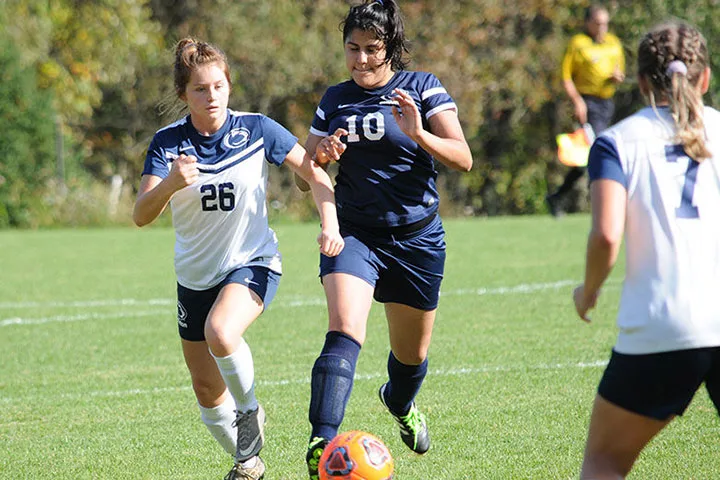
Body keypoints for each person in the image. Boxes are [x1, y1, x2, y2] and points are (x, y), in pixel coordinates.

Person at [133, 38, 344, 480]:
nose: (211, 96)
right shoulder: (168, 143)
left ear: (229, 86)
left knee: (221, 330)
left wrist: (330, 224)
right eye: (199, 89)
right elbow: (141, 214)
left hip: (253, 261)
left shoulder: (258, 129)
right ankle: (248, 464)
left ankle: (250, 412)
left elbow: (314, 172)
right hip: (194, 278)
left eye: (218, 86)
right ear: (182, 95)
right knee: (206, 388)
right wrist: (170, 184)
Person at [293, 1, 472, 478]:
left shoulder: (422, 88)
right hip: (355, 235)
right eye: (353, 49)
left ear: (391, 47)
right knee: (344, 328)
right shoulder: (334, 99)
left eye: (373, 49)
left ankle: (399, 401)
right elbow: (303, 174)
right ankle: (322, 445)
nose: (362, 60)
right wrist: (322, 156)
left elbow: (462, 157)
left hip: (417, 240)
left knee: (411, 357)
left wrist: (419, 134)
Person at [572, 21, 720, 479]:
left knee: (604, 462)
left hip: (662, 323)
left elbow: (607, 236)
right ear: (705, 77)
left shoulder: (618, 141)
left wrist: (589, 290)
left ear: (638, 82)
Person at [546, 4, 625, 217]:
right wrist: (578, 102)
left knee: (586, 158)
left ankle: (557, 197)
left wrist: (617, 78)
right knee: (600, 150)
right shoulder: (578, 44)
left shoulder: (614, 43)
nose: (602, 28)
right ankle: (605, 205)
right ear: (588, 22)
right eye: (598, 23)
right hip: (588, 104)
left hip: (607, 104)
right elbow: (565, 77)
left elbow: (619, 71)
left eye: (605, 24)